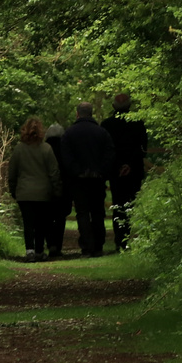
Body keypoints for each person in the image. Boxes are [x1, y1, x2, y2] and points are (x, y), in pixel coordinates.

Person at [56, 101, 115, 257]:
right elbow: (109, 154)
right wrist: (101, 171)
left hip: (78, 180)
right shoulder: (102, 133)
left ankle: (86, 246)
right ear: (91, 113)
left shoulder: (69, 133)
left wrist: (76, 171)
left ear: (77, 114)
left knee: (82, 212)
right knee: (97, 211)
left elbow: (66, 157)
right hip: (97, 179)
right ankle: (98, 245)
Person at [3, 116, 62, 261]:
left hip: (24, 192)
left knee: (28, 222)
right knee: (41, 223)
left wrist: (13, 189)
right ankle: (39, 250)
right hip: (43, 192)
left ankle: (29, 250)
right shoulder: (46, 149)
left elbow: (12, 172)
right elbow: (54, 172)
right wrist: (57, 190)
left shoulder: (18, 149)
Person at [100, 93, 150, 251]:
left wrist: (118, 166)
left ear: (114, 106)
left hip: (116, 173)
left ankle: (120, 239)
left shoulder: (107, 124)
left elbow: (106, 150)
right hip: (134, 171)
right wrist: (129, 164)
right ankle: (130, 238)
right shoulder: (138, 123)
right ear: (129, 106)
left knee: (118, 205)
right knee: (132, 204)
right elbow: (143, 148)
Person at [43, 121, 72, 258]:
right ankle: (57, 246)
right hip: (63, 187)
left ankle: (51, 244)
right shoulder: (65, 149)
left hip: (46, 187)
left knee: (47, 217)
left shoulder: (43, 148)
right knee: (60, 217)